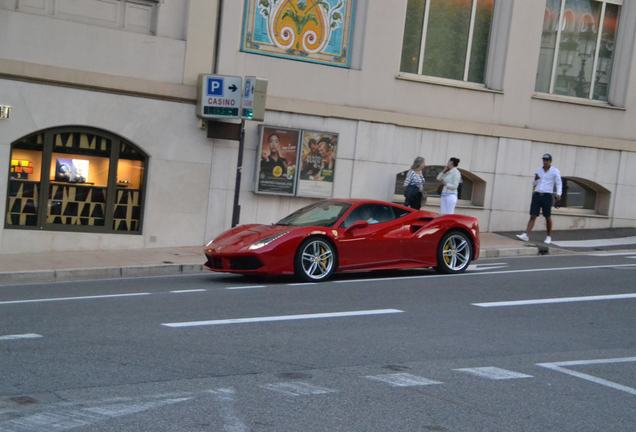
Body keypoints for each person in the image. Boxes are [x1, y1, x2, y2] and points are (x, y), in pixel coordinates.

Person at [516, 153, 562, 244]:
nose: (545, 162)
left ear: (550, 161)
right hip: (537, 194)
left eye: (546, 160)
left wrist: (558, 194)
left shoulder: (555, 171)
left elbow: (559, 183)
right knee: (533, 215)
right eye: (544, 160)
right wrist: (536, 179)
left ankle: (548, 236)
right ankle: (526, 235)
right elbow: (534, 184)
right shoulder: (538, 170)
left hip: (547, 195)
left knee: (547, 216)